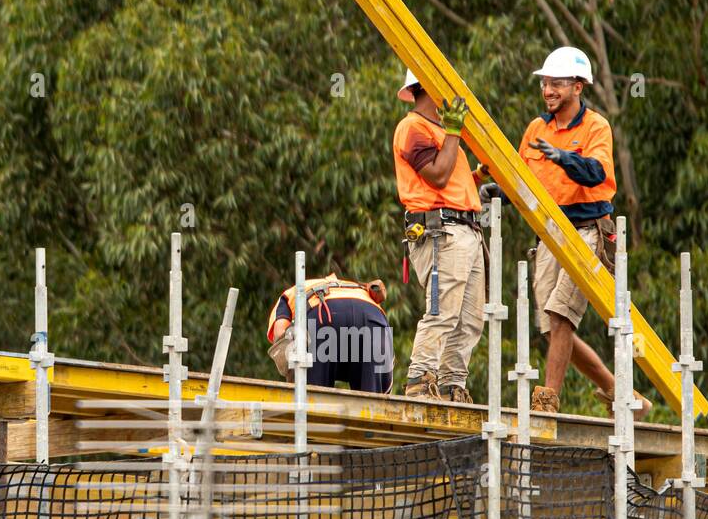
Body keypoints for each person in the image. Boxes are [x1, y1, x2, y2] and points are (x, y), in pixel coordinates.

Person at [484, 47, 651, 417]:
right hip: (549, 233)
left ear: (578, 86)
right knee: (550, 326)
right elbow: (523, 181)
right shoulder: (536, 129)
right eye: (545, 83)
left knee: (561, 316)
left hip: (587, 231)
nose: (548, 90)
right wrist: (499, 191)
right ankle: (619, 391)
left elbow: (598, 174)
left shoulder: (596, 126)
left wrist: (566, 159)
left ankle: (548, 399)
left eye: (556, 83)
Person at [392, 68, 485, 403]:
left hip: (466, 229)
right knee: (442, 311)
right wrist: (455, 130)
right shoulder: (412, 127)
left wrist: (476, 176)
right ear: (428, 88)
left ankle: (450, 384)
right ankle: (420, 379)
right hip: (441, 231)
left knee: (470, 319)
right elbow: (438, 176)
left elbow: (454, 181)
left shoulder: (443, 134)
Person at [267, 274, 393, 393]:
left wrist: (295, 381)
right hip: (374, 319)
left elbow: (281, 335)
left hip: (323, 315)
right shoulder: (358, 290)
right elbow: (385, 373)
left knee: (314, 402)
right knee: (373, 403)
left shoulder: (288, 295)